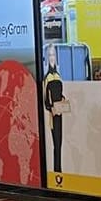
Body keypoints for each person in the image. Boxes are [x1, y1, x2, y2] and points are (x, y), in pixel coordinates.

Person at [42, 44, 67, 173]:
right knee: (55, 143)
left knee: (59, 143)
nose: (52, 58)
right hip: (52, 115)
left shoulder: (58, 76)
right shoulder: (46, 78)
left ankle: (59, 169)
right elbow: (46, 99)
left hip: (60, 113)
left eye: (54, 55)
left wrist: (63, 99)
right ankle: (55, 171)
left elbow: (59, 93)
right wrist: (51, 108)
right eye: (50, 55)